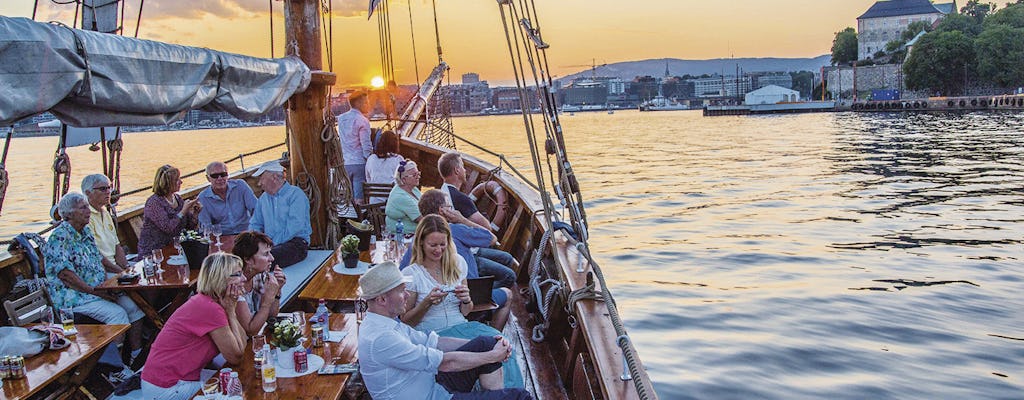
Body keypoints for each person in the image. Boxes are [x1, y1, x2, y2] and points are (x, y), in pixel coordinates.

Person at [358, 261, 531, 400]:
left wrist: (492, 348)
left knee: (487, 342)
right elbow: (445, 363)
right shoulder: (381, 338)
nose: (408, 295)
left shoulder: (386, 322)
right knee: (520, 396)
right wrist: (493, 356)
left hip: (433, 383)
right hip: (432, 395)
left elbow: (433, 341)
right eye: (402, 291)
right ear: (381, 299)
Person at [400, 215, 521, 389]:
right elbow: (406, 322)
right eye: (433, 245)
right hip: (432, 334)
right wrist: (426, 303)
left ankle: (509, 394)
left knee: (503, 346)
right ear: (420, 243)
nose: (439, 250)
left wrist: (466, 300)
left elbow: (466, 311)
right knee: (489, 353)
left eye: (442, 244)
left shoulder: (457, 263)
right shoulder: (412, 273)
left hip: (462, 324)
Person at [43, 192, 144, 382]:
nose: (88, 211)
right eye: (82, 208)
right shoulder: (59, 238)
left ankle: (136, 355)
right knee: (117, 314)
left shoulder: (85, 231)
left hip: (98, 290)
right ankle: (114, 370)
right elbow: (66, 276)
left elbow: (99, 259)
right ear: (68, 214)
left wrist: (122, 273)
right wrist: (98, 292)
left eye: (86, 207)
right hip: (74, 297)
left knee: (133, 307)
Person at [139, 253, 248, 400]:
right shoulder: (209, 307)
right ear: (221, 279)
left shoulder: (214, 302)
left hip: (174, 379)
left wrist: (231, 312)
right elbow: (235, 356)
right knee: (237, 391)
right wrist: (230, 312)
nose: (244, 279)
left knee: (239, 379)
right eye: (238, 274)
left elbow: (243, 346)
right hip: (167, 388)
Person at [401, 189, 517, 292]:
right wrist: (462, 219)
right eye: (449, 207)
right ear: (442, 210)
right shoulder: (455, 229)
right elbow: (491, 238)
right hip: (466, 290)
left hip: (440, 288)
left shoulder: (418, 237)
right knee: (509, 277)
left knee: (505, 258)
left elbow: (403, 272)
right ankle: (483, 296)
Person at [248, 163, 311, 268]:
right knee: (247, 257)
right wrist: (252, 242)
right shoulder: (263, 199)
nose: (259, 183)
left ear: (274, 177)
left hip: (296, 243)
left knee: (263, 260)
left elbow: (294, 227)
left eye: (261, 178)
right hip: (269, 245)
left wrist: (270, 244)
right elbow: (255, 223)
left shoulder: (296, 195)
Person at [137, 165, 200, 258]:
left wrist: (196, 213)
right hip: (154, 252)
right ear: (167, 183)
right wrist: (183, 211)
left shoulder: (177, 198)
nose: (181, 182)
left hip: (174, 248)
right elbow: (168, 227)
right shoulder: (154, 202)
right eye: (177, 180)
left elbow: (190, 227)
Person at [231, 231, 286, 336]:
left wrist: (277, 291)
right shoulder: (235, 284)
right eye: (266, 254)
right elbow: (251, 331)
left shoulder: (259, 276)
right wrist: (266, 302)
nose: (272, 258)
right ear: (248, 259)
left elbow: (270, 317)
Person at [81, 174, 128, 273]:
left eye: (109, 188)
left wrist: (127, 268)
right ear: (88, 193)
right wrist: (121, 273)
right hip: (101, 270)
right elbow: (95, 255)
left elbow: (117, 246)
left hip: (115, 267)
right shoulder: (85, 217)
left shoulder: (105, 213)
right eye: (102, 189)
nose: (108, 192)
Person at [197, 161, 257, 236]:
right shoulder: (203, 198)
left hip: (246, 233)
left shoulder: (240, 186)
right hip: (223, 237)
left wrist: (255, 230)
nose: (220, 178)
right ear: (208, 178)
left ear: (227, 175)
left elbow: (256, 209)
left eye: (223, 174)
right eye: (215, 176)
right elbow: (206, 226)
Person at [438, 152, 494, 231]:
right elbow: (487, 228)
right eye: (462, 167)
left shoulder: (441, 191)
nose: (464, 170)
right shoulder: (461, 199)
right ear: (457, 170)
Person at [337, 90, 373, 206]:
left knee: (349, 196)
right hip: (359, 163)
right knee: (359, 198)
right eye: (366, 102)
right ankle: (360, 220)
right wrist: (370, 159)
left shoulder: (341, 119)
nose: (368, 105)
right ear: (358, 103)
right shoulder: (362, 121)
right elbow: (366, 145)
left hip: (345, 163)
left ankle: (349, 219)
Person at [364, 129, 403, 204]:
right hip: (393, 205)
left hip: (374, 206)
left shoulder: (371, 159)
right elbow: (403, 181)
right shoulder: (398, 159)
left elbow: (368, 179)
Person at [384, 159, 423, 233]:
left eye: (418, 173)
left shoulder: (413, 189)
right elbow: (422, 220)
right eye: (414, 175)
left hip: (415, 233)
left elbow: (426, 205)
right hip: (403, 237)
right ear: (404, 179)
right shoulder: (401, 197)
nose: (418, 177)